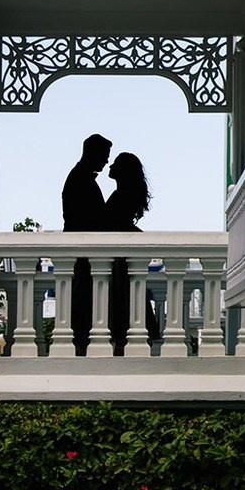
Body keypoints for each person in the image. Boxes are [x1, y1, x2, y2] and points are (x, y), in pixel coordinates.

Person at [61, 133, 112, 356]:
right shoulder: (81, 180)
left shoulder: (82, 177)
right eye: (105, 155)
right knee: (82, 301)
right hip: (82, 253)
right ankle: (80, 345)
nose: (107, 161)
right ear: (94, 153)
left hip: (85, 253)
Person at [102, 152, 159, 351]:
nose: (110, 166)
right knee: (127, 306)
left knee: (120, 308)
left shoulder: (120, 196)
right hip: (122, 261)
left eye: (115, 164)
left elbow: (112, 226)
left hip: (118, 262)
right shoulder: (124, 196)